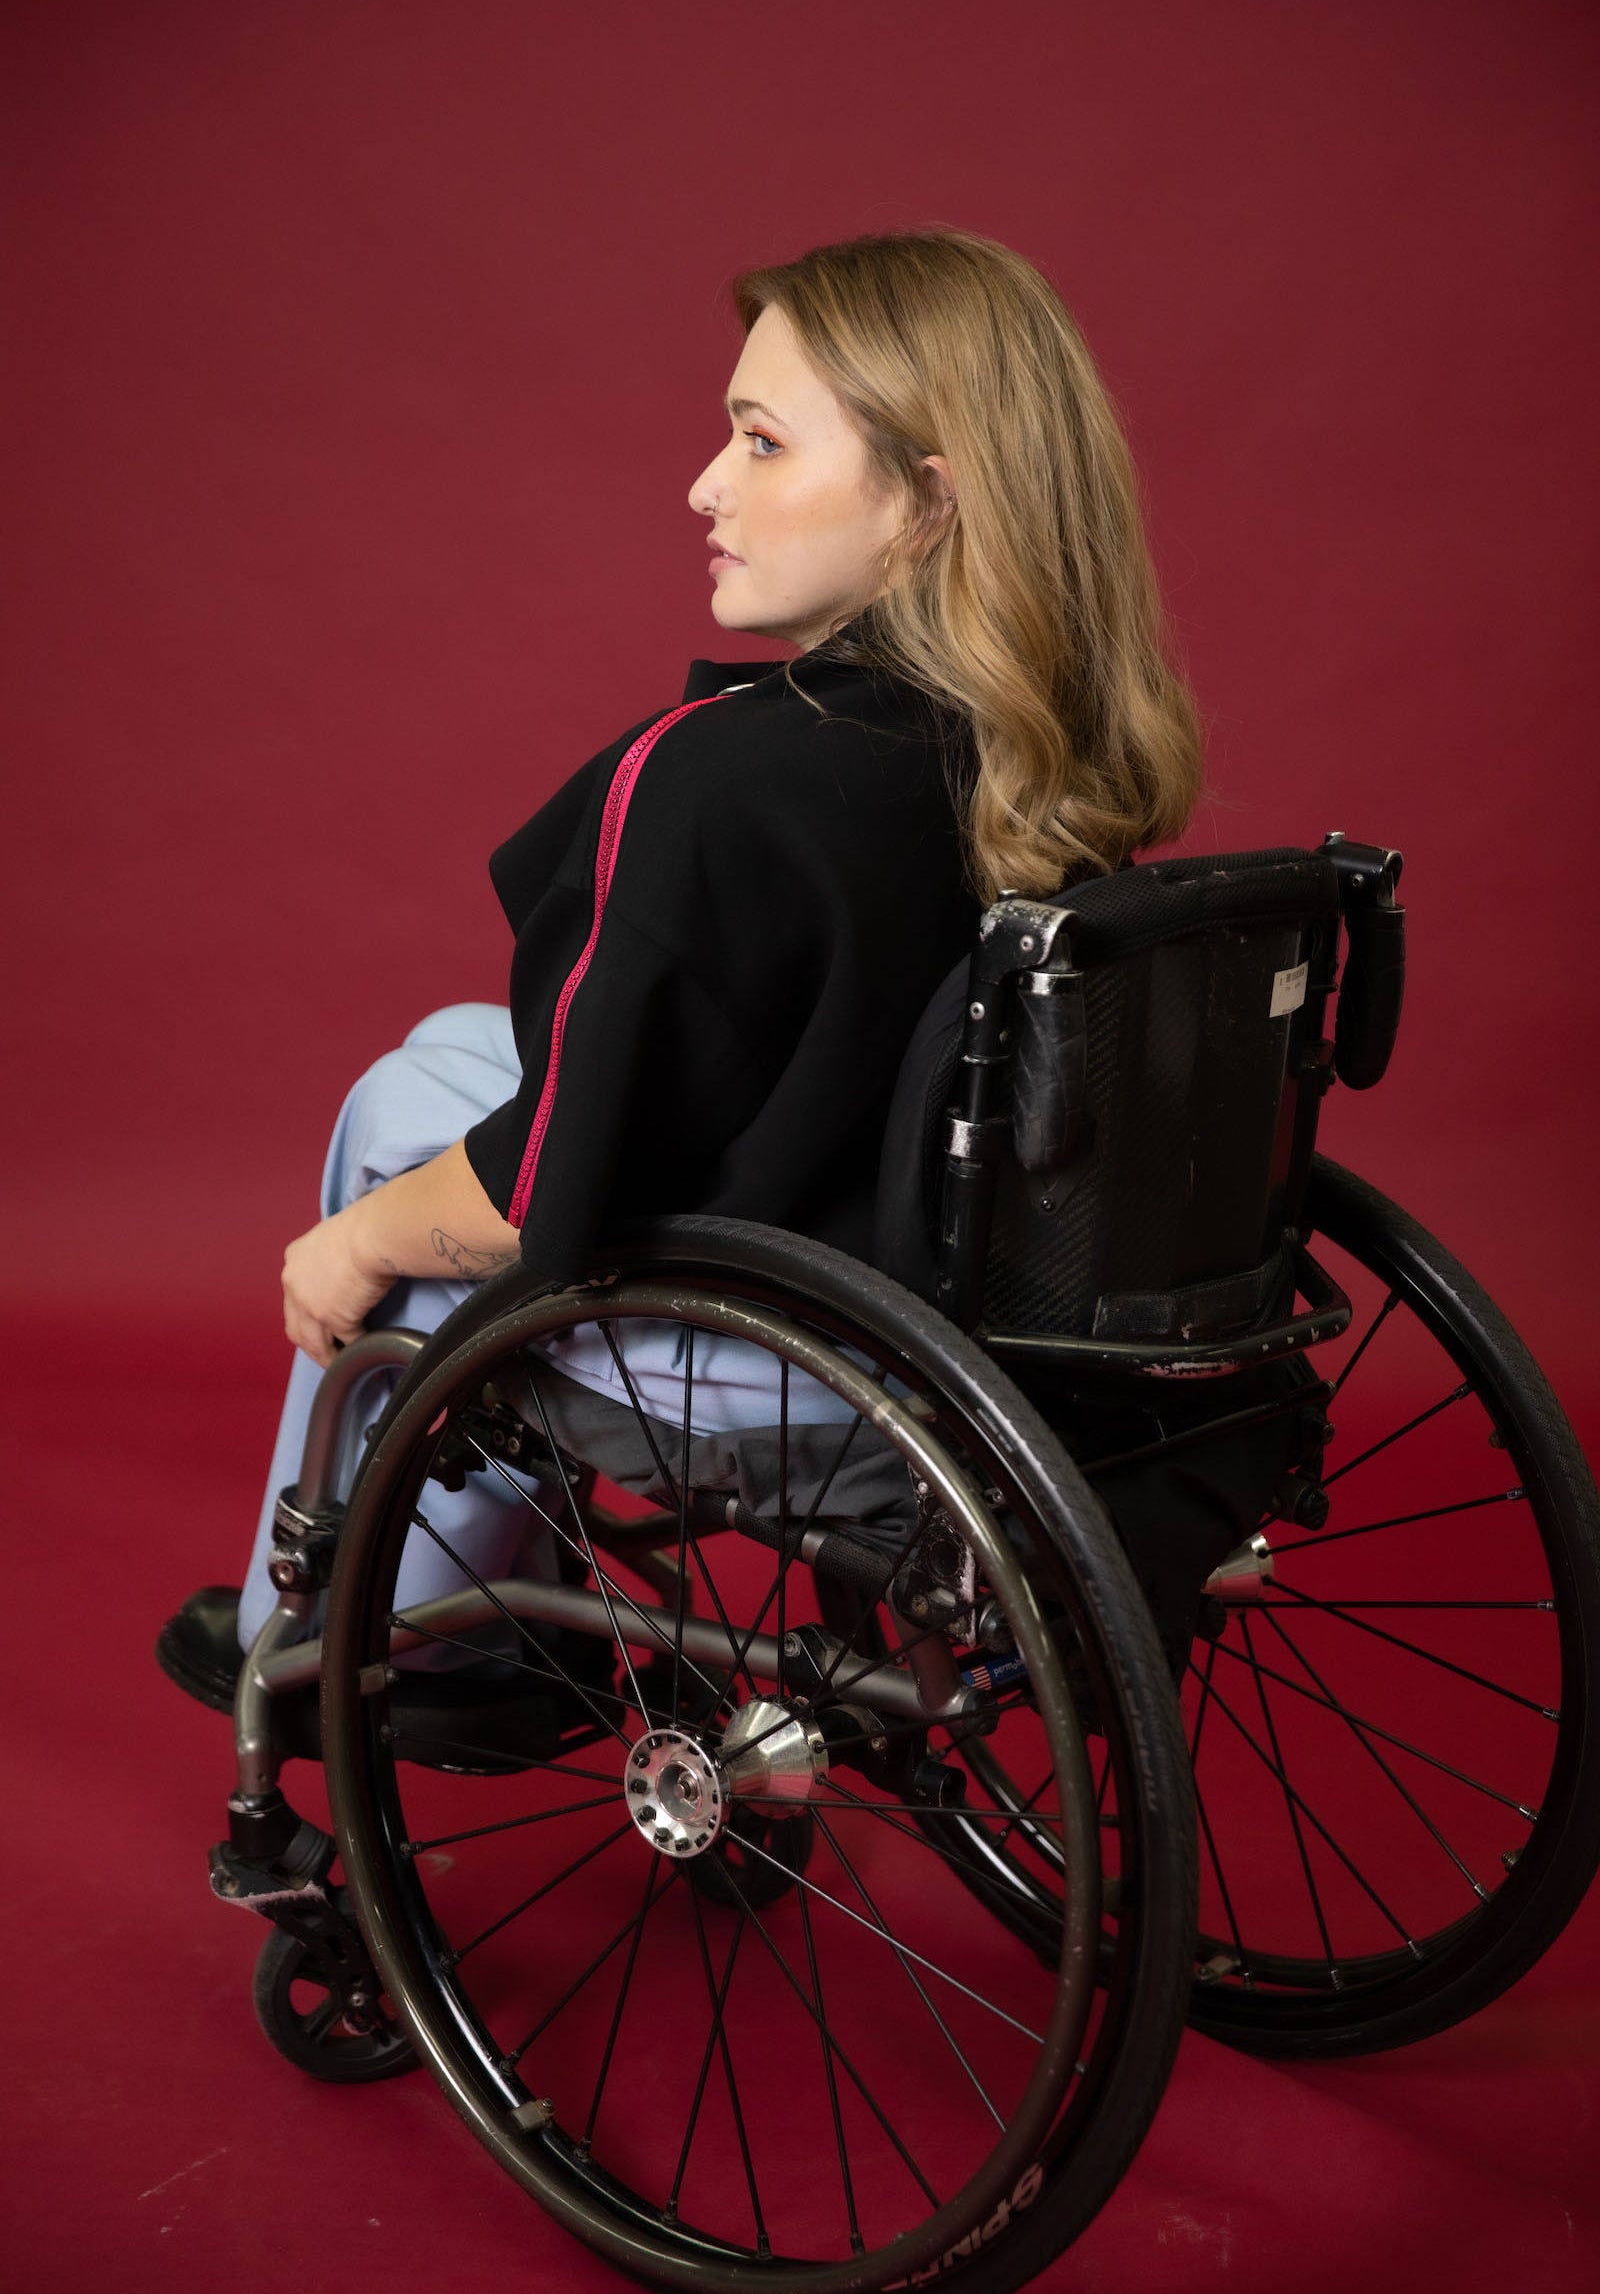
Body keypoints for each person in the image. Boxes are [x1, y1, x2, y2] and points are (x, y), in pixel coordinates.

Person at [155, 225, 1203, 1758]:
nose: (706, 488)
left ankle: (340, 1637)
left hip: (791, 1377)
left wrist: (347, 1246)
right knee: (455, 1051)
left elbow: (537, 1203)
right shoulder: (1051, 756)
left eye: (761, 441)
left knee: (397, 1126)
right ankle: (433, 1588)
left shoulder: (714, 782)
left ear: (927, 497)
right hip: (986, 1318)